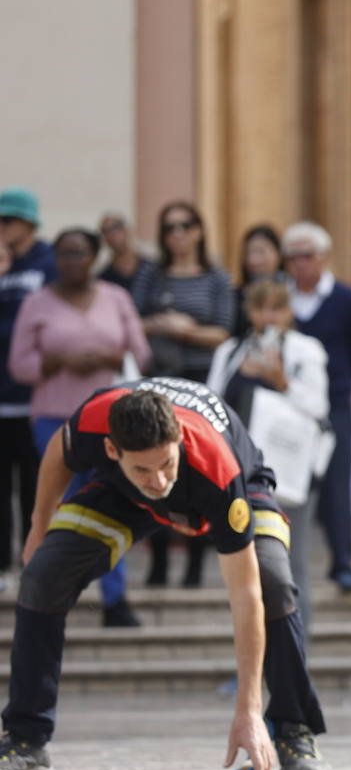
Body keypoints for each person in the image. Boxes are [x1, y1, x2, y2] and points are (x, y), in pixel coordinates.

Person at [0, 379, 332, 770]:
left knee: (272, 583)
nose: (158, 480)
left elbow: (245, 597)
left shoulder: (217, 469)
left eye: (166, 464)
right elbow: (59, 450)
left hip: (229, 486)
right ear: (111, 448)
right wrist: (38, 525)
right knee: (41, 576)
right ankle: (26, 739)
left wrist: (247, 711)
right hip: (122, 494)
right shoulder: (93, 421)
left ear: (178, 439)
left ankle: (294, 729)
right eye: (144, 467)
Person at [7, 227, 151, 626]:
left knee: (114, 501)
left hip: (112, 420)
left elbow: (141, 351)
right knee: (61, 504)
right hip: (55, 418)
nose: (72, 261)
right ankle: (51, 595)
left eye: (80, 253)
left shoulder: (115, 298)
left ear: (94, 256)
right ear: (55, 258)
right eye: (65, 253)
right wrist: (57, 363)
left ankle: (114, 597)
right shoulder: (37, 302)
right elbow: (19, 365)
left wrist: (106, 355)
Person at [209, 278, 329, 631]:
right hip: (240, 475)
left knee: (290, 568)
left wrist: (281, 381)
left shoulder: (306, 350)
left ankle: (296, 662)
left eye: (276, 308)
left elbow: (318, 407)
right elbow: (212, 407)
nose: (268, 316)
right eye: (260, 308)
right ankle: (251, 667)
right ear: (248, 312)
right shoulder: (230, 352)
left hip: (289, 476)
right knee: (245, 570)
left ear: (289, 312)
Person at [132, 200, 235, 588]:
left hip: (202, 385)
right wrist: (160, 324)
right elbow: (132, 322)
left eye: (186, 225)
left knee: (197, 473)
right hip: (158, 381)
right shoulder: (151, 276)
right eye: (170, 226)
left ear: (199, 230)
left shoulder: (216, 278)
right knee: (153, 466)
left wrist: (183, 330)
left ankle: (194, 564)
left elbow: (224, 331)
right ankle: (158, 563)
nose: (178, 233)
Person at [284, 221, 351, 592]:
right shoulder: (280, 300)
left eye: (307, 255)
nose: (300, 263)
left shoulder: (346, 301)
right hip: (286, 408)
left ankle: (342, 560)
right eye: (293, 256)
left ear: (324, 257)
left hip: (334, 405)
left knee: (337, 484)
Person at [0, 188, 55, 581]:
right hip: (1, 399)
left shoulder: (48, 263)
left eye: (7, 221)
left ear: (28, 223)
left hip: (37, 400)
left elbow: (43, 326)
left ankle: (37, 565)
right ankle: (2, 566)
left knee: (38, 490)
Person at [233, 224, 286, 336]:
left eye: (261, 252)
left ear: (278, 253)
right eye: (249, 253)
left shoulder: (292, 289)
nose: (254, 260)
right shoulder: (236, 296)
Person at [97, 212, 156, 296]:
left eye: (116, 227)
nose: (111, 234)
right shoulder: (103, 278)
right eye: (105, 231)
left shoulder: (152, 267)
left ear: (128, 229)